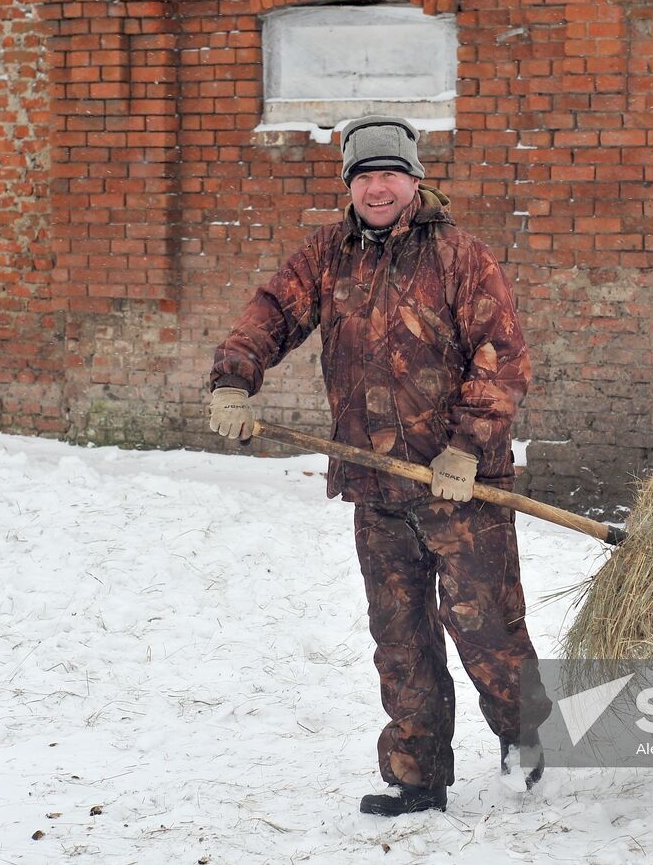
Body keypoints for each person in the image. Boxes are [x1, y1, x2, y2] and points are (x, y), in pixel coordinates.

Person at [207, 115, 552, 816]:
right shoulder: (329, 256)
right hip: (376, 484)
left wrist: (467, 444)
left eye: (390, 173)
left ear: (415, 179)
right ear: (350, 187)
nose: (378, 187)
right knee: (400, 636)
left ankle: (526, 739)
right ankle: (417, 774)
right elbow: (272, 311)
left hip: (461, 485)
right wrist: (233, 379)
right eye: (365, 176)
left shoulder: (459, 257)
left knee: (485, 627)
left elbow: (502, 355)